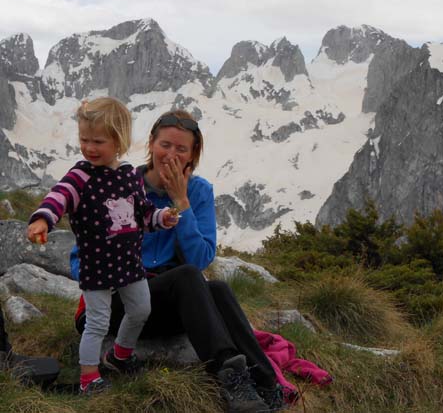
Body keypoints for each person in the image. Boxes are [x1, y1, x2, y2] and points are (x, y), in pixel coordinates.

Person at [70, 110, 284, 412]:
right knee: (185, 277)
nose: (171, 154)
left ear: (192, 154)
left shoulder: (198, 191)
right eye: (165, 145)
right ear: (151, 145)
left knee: (218, 289)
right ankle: (229, 377)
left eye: (181, 148)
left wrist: (181, 203)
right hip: (121, 305)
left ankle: (266, 383)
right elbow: (78, 260)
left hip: (170, 300)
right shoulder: (120, 183)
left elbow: (200, 260)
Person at [27, 97, 179, 395]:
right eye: (84, 139)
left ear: (119, 141)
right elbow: (58, 197)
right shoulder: (80, 176)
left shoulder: (130, 176)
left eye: (98, 141)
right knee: (97, 322)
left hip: (130, 264)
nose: (89, 148)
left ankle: (120, 356)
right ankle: (88, 378)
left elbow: (143, 215)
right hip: (96, 266)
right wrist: (43, 219)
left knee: (140, 309)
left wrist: (162, 217)